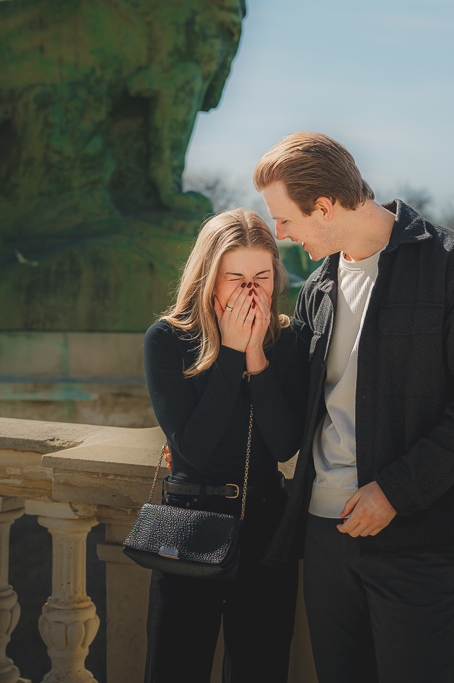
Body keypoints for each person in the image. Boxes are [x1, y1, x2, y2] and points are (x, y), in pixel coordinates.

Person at [253, 132, 454, 682]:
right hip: (325, 537)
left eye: (283, 220)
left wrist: (396, 490)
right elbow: (296, 413)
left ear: (322, 207)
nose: (280, 235)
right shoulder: (316, 287)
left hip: (421, 540)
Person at [141, 208, 308, 683]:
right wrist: (231, 352)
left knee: (261, 668)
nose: (251, 291)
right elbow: (193, 447)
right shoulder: (168, 340)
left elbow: (285, 443)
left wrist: (256, 356)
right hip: (190, 522)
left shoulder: (288, 341)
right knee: (175, 667)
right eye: (236, 277)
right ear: (208, 278)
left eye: (262, 276)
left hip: (266, 527)